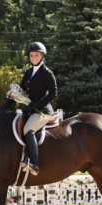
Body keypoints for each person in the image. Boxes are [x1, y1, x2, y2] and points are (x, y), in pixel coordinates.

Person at [17, 41, 58, 176]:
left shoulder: (47, 73)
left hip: (43, 111)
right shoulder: (29, 72)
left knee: (28, 129)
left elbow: (53, 93)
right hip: (30, 109)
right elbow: (21, 89)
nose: (34, 58)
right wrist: (11, 97)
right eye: (32, 55)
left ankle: (34, 163)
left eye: (36, 55)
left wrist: (37, 104)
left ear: (42, 57)